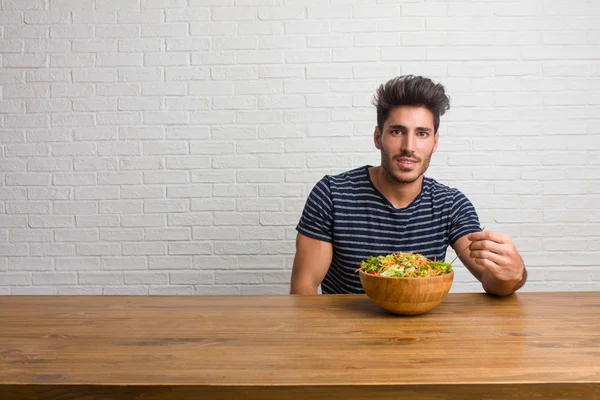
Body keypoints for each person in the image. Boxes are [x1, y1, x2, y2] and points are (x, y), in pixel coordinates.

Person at [290, 75, 527, 296]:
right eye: (397, 131)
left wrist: (513, 274)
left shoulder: (450, 204)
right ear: (377, 137)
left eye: (422, 133)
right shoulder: (332, 195)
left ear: (435, 142)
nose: (409, 147)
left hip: (424, 334)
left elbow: (490, 280)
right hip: (347, 335)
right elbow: (304, 289)